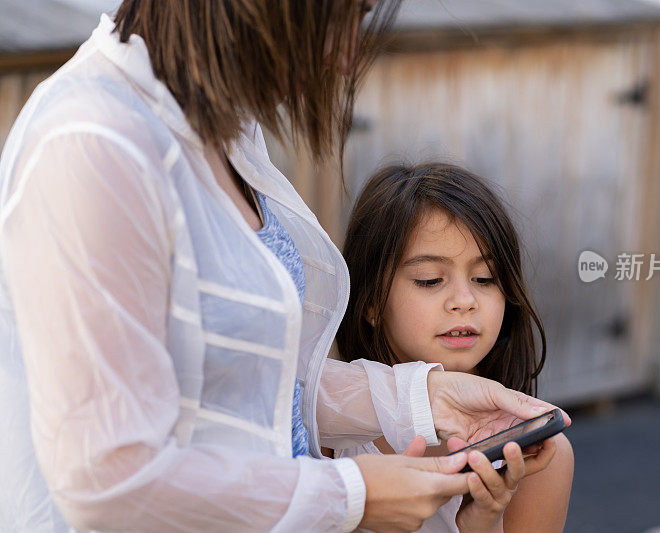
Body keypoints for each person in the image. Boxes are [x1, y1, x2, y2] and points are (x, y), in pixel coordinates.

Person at [0, 1, 571, 532]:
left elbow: (248, 385)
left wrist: (423, 399)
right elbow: (108, 476)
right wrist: (349, 495)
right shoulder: (95, 142)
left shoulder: (222, 134)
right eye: (345, 15)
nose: (349, 57)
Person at [331, 163, 574, 532]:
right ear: (371, 303)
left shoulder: (537, 458)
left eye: (485, 278)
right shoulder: (326, 434)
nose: (465, 300)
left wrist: (483, 524)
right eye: (430, 280)